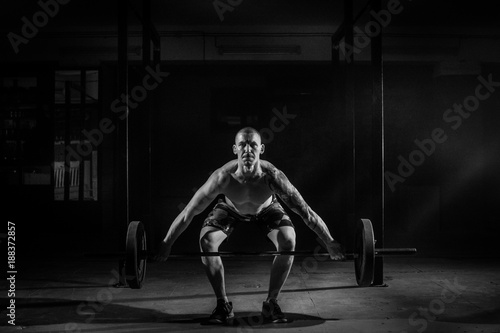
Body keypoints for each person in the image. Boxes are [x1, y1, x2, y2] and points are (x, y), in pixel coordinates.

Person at [155, 127, 344, 324]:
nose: (247, 150)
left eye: (253, 144)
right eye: (242, 145)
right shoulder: (222, 178)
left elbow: (306, 213)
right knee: (207, 241)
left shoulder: (273, 178)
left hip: (267, 209)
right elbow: (189, 212)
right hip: (230, 209)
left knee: (288, 240)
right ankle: (223, 305)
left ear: (261, 149)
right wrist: (167, 243)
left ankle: (271, 304)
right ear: (234, 149)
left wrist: (329, 242)